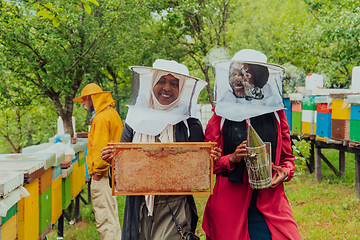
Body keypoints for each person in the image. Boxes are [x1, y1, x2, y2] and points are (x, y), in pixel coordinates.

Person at [101, 59, 214, 240]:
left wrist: (207, 160)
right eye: (161, 81)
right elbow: (120, 177)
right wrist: (112, 161)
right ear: (152, 84)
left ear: (182, 88)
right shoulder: (133, 122)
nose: (167, 88)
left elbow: (198, 173)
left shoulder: (189, 124)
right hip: (139, 205)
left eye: (174, 83)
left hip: (175, 206)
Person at [202, 49, 301, 240]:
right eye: (233, 73)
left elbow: (287, 159)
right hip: (230, 205)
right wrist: (230, 159)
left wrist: (285, 172)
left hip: (270, 202)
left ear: (260, 78)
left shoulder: (275, 114)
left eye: (245, 73)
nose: (237, 78)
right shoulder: (220, 114)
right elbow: (205, 161)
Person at [73, 83, 122, 240]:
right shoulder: (111, 113)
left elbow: (101, 149)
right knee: (111, 216)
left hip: (103, 175)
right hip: (111, 173)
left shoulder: (100, 118)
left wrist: (97, 174)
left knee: (105, 219)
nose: (82, 104)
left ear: (90, 99)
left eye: (83, 100)